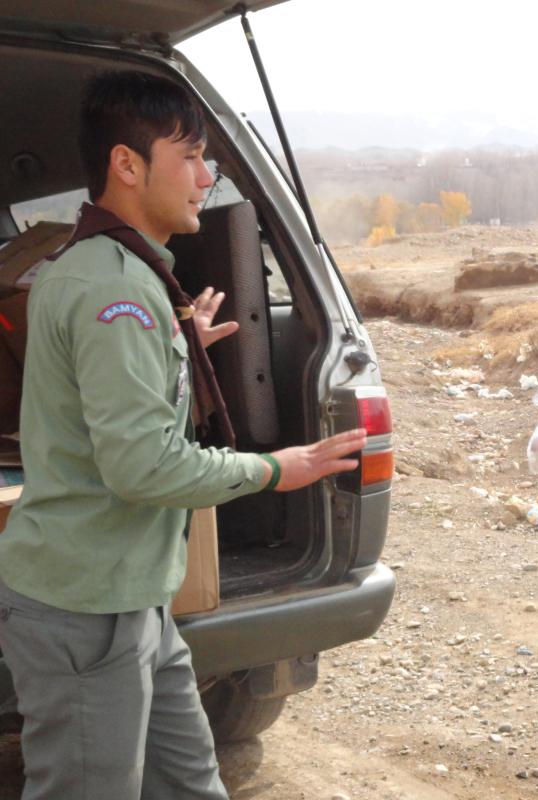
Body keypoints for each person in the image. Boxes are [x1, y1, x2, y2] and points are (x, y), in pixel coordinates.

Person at [0, 71, 365, 799]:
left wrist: (176, 341)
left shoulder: (112, 276)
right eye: (190, 156)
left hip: (133, 597)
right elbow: (143, 467)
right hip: (87, 610)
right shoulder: (115, 289)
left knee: (191, 783)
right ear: (127, 165)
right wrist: (272, 470)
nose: (206, 178)